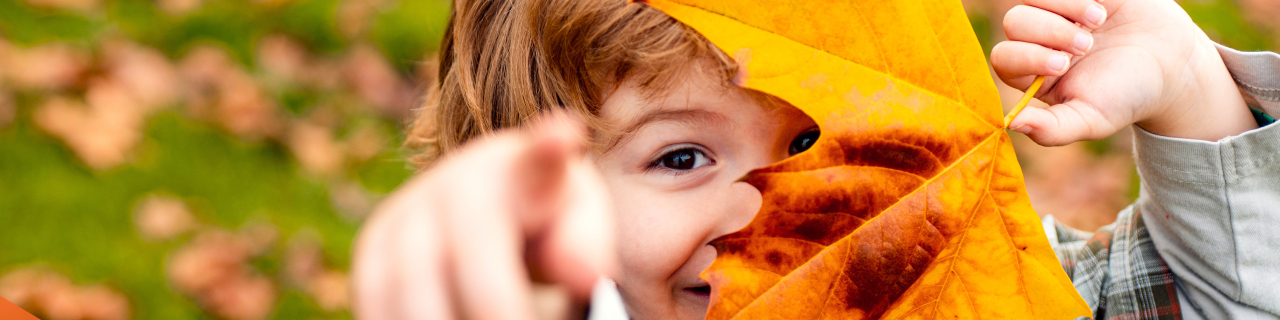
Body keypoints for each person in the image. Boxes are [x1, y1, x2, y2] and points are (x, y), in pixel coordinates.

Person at [350, 0, 1280, 318]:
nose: (766, 204)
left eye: (811, 143)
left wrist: (1192, 89)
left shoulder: (987, 289)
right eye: (681, 156)